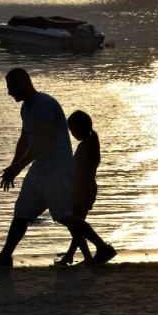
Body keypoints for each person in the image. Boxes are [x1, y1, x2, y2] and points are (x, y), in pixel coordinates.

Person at [0, 68, 116, 267]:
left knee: (63, 215)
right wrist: (13, 165)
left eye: (12, 87)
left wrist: (19, 167)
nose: (10, 92)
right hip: (40, 168)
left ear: (24, 83)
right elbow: (24, 140)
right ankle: (5, 257)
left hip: (56, 168)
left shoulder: (44, 104)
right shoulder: (26, 109)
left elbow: (40, 142)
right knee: (21, 212)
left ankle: (103, 247)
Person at [55, 110, 101, 265]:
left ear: (80, 128)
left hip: (81, 190)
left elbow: (79, 171)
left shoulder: (84, 147)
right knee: (77, 225)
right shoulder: (92, 143)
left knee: (74, 225)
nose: (72, 134)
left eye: (73, 130)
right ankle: (73, 255)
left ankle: (84, 256)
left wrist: (68, 188)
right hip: (88, 189)